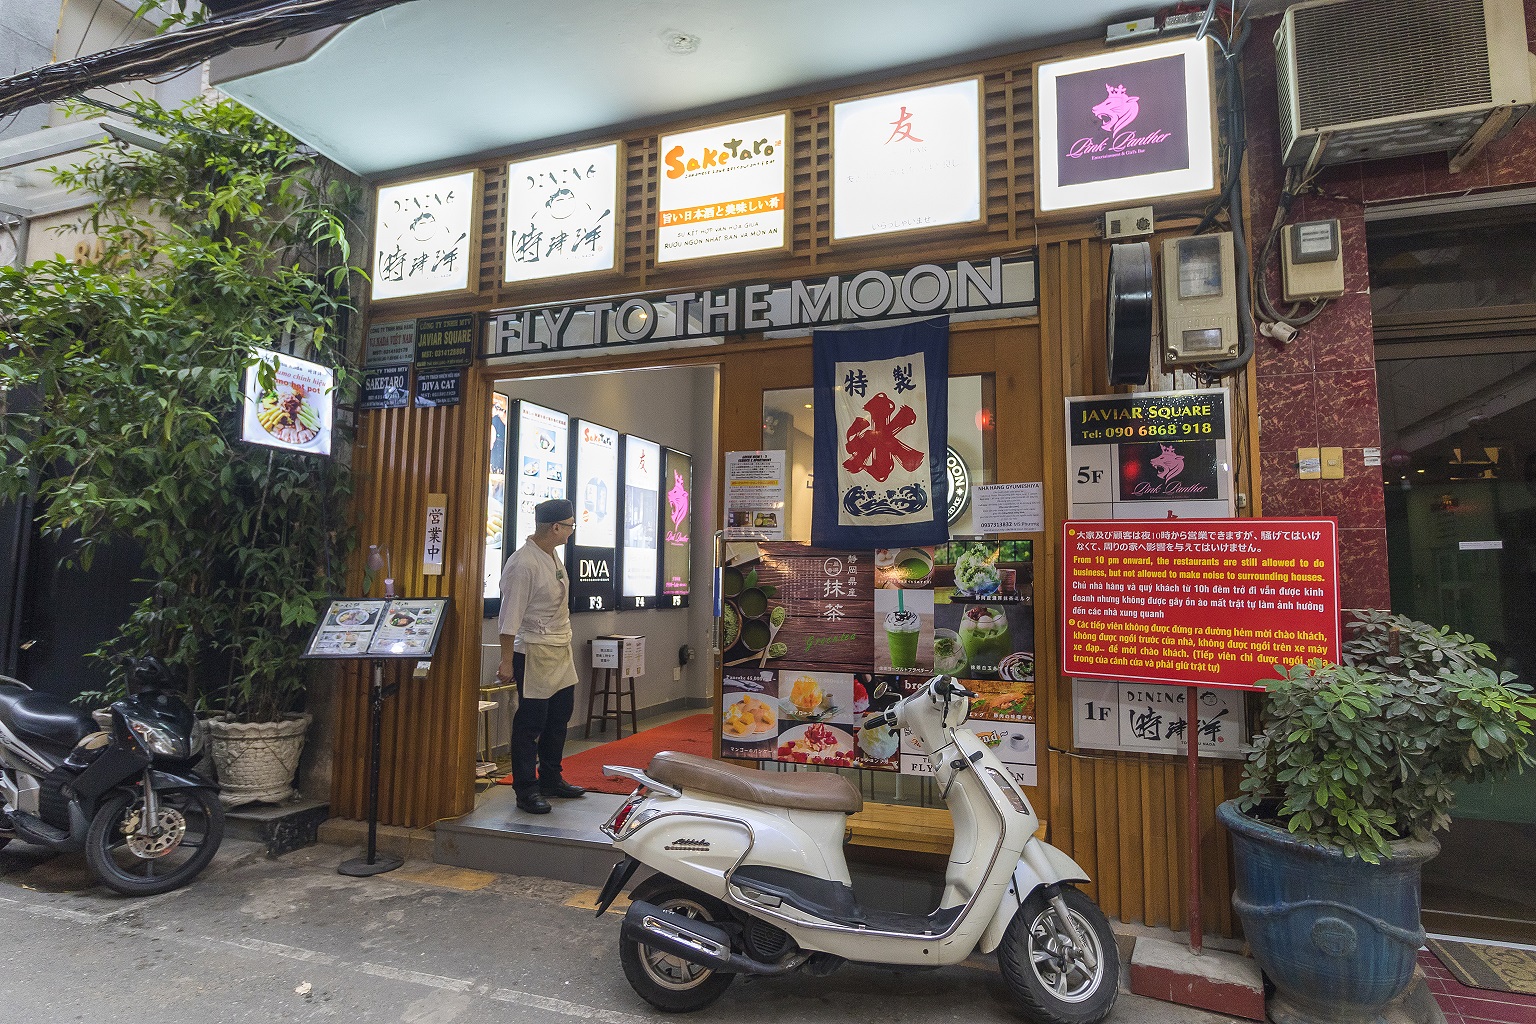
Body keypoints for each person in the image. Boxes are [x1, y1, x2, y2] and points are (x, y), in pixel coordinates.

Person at [496, 498, 586, 814]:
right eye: (571, 525)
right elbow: (509, 618)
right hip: (533, 650)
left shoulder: (552, 556)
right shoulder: (523, 564)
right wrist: (506, 661)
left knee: (559, 716)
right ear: (556, 527)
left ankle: (551, 779)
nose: (572, 531)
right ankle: (526, 789)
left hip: (560, 649)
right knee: (531, 722)